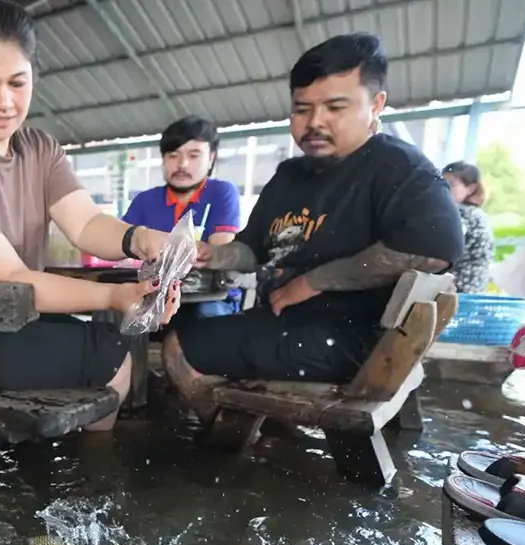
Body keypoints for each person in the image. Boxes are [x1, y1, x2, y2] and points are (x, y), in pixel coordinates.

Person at [0, 0, 189, 431]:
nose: (5, 102)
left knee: (106, 346)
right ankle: (90, 478)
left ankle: (73, 473)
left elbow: (86, 223)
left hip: (13, 316)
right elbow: (8, 280)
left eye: (18, 83)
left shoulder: (40, 149)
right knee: (110, 357)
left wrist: (141, 238)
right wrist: (113, 296)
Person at [162, 32, 464, 414]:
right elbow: (251, 250)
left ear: (376, 105)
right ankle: (259, 426)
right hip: (288, 325)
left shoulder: (398, 167)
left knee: (178, 345)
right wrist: (210, 254)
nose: (315, 122)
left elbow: (433, 251)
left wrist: (313, 281)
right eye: (302, 109)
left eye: (335, 107)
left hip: (356, 341)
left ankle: (233, 439)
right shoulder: (289, 175)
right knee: (195, 334)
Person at [122, 115, 242, 315]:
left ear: (210, 158)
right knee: (108, 316)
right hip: (151, 295)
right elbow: (119, 251)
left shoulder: (221, 193)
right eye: (173, 155)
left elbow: (220, 249)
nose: (182, 164)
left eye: (194, 155)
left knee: (195, 328)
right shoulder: (145, 201)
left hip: (207, 297)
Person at [441, 161, 495, 293]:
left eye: (451, 184)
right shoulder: (477, 213)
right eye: (442, 183)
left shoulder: (462, 214)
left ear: (470, 188)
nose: (444, 189)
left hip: (458, 290)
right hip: (476, 290)